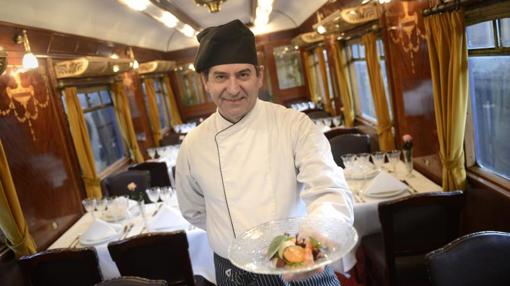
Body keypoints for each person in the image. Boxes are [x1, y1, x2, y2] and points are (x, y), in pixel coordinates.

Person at [175, 19, 354, 286]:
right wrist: (231, 236)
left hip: (301, 262)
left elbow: (329, 190)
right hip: (234, 273)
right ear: (206, 83)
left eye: (243, 75)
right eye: (221, 77)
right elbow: (194, 211)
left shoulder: (294, 125)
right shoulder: (193, 144)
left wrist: (310, 243)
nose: (233, 89)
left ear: (259, 76)